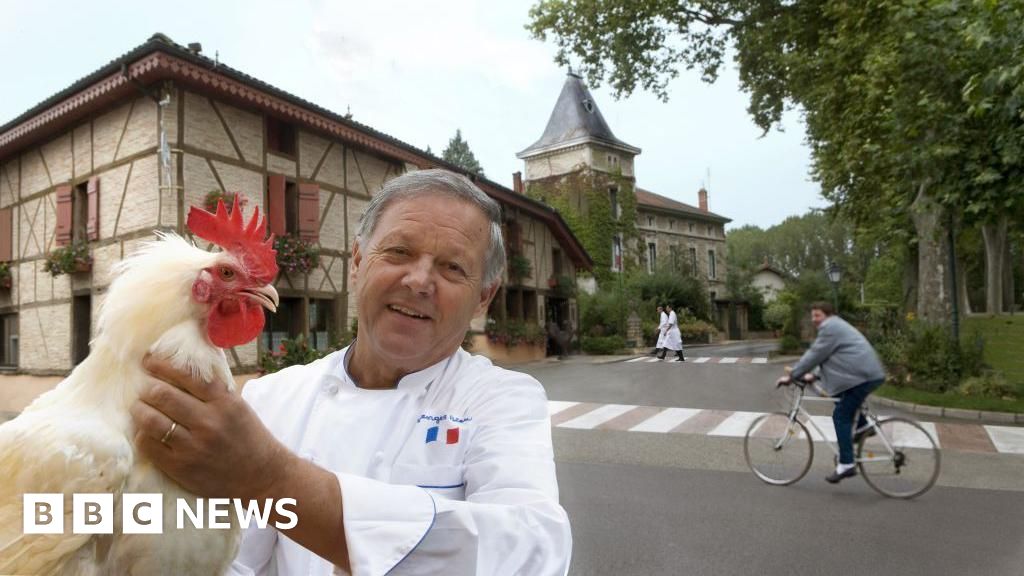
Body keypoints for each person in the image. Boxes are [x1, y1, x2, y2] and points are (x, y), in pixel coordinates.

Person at [131, 170, 572, 575]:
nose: (419, 280)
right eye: (399, 251)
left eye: (452, 267)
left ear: (483, 298)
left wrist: (269, 478)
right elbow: (233, 560)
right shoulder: (272, 398)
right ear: (357, 262)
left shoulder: (502, 399)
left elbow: (532, 551)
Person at [776, 301, 885, 484]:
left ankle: (847, 464)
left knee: (840, 416)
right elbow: (830, 356)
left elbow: (815, 354)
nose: (814, 319)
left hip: (862, 377)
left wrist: (793, 375)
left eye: (817, 315)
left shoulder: (830, 327)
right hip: (864, 374)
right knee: (840, 398)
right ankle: (863, 427)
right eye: (812, 316)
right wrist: (814, 375)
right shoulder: (836, 326)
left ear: (828, 314)